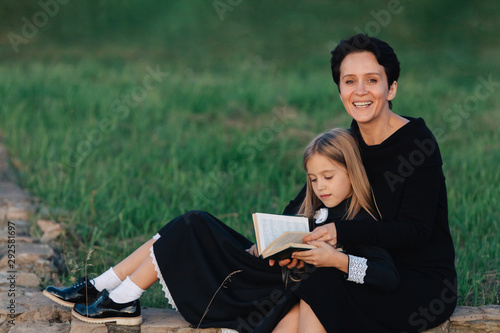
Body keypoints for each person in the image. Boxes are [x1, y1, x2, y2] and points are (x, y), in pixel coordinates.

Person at [43, 128, 398, 332]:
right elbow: (281, 238)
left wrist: (336, 259)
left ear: (353, 172)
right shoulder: (311, 206)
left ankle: (118, 297)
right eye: (313, 178)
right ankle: (105, 287)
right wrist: (270, 247)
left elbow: (386, 275)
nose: (320, 186)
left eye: (329, 177)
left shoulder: (362, 222)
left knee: (191, 226)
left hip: (268, 293)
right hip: (263, 270)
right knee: (191, 224)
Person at [279, 34, 457, 332]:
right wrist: (285, 243)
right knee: (296, 285)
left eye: (372, 80)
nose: (360, 91)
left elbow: (415, 231)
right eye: (349, 81)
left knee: (319, 283)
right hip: (357, 263)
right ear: (340, 91)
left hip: (415, 281)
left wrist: (339, 231)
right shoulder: (348, 143)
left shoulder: (418, 144)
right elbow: (307, 200)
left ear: (391, 88)